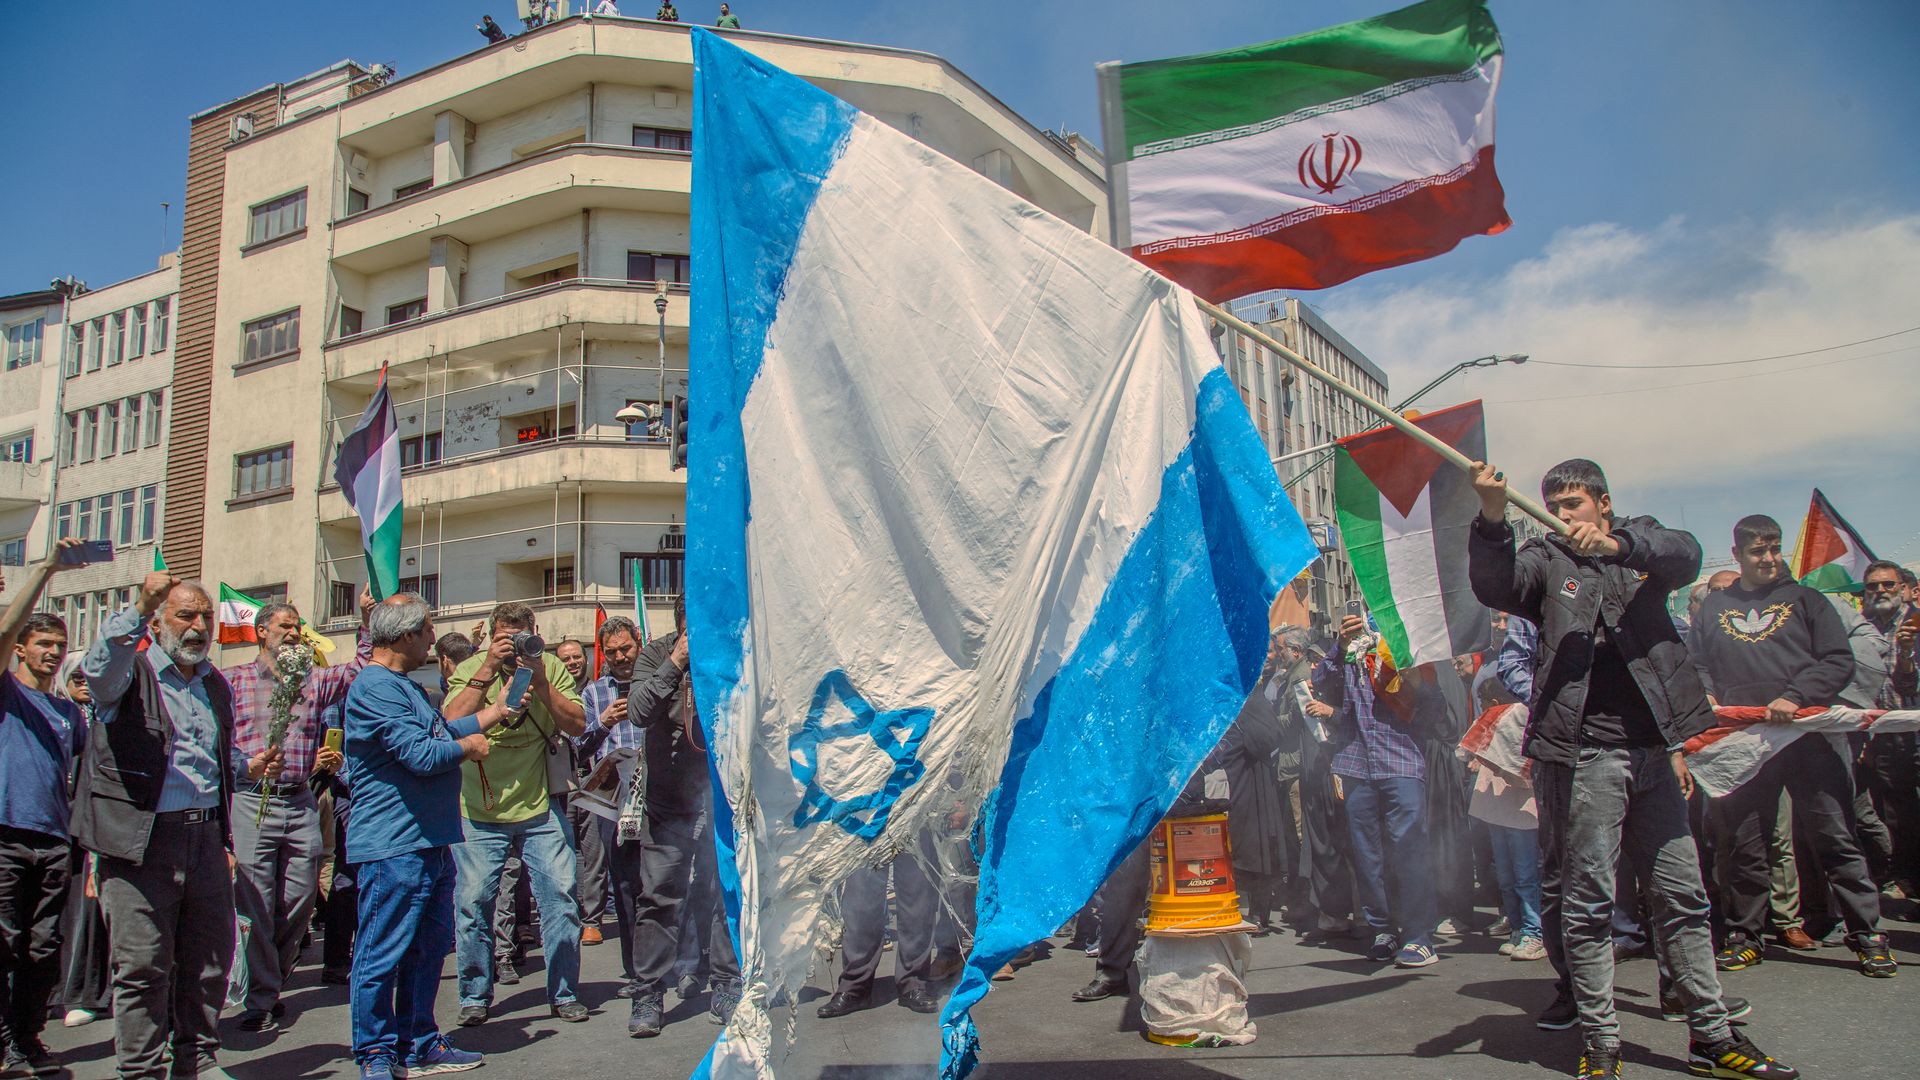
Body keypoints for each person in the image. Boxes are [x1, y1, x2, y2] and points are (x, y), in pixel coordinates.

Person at [1469, 458, 1796, 1080]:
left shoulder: (1640, 542)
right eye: (1553, 506)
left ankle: (1711, 1036)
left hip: (1653, 751)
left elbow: (1685, 554)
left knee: (1683, 897)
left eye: (1573, 504)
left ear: (1603, 503)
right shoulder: (1544, 558)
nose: (1562, 516)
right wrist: (1490, 515)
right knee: (1589, 904)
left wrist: (1616, 547)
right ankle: (1601, 1045)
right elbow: (1495, 585)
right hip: (1587, 754)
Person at [73, 574, 278, 1080]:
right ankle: (141, 1070)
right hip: (140, 840)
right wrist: (139, 605)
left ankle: (196, 1061)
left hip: (204, 837)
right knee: (143, 966)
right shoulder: (131, 674)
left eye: (205, 616)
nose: (199, 626)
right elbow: (98, 671)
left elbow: (214, 758)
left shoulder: (214, 684)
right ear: (158, 621)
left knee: (208, 961)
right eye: (186, 615)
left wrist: (247, 768)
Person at [1690, 514, 1896, 979]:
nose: (1768, 558)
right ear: (1738, 554)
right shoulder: (1714, 608)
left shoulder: (1807, 601)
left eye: (1773, 548)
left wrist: (1796, 695)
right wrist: (1706, 693)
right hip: (1745, 741)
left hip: (1807, 736)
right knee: (1744, 842)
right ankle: (1745, 936)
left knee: (1835, 836)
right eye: (1757, 551)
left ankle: (1867, 935)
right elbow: (1697, 663)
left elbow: (1838, 660)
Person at [345, 593, 512, 1079]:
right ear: (404, 636)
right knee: (382, 953)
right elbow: (421, 754)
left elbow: (439, 731)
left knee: (428, 950)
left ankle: (418, 1042)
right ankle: (376, 1052)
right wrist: (469, 746)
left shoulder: (404, 686)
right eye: (427, 629)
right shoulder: (375, 686)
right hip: (394, 843)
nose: (433, 639)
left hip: (430, 841)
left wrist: (494, 713)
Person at [220, 592, 372, 1031]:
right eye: (284, 626)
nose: (293, 633)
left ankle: (272, 971)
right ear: (261, 632)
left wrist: (365, 621)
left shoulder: (313, 679)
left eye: (297, 627)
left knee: (300, 899)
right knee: (255, 900)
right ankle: (261, 997)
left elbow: (359, 670)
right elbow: (219, 741)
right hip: (253, 799)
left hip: (300, 799)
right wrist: (244, 765)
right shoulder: (232, 681)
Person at [442, 603, 588, 1027]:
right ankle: (474, 994)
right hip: (479, 807)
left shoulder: (549, 666)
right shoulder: (472, 666)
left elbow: (578, 724)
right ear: (492, 636)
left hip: (539, 805)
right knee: (473, 904)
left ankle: (564, 992)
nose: (515, 644)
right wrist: (489, 664)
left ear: (534, 631)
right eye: (506, 637)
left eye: (522, 635)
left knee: (560, 898)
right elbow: (450, 721)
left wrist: (540, 681)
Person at [624, 596, 742, 1035]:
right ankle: (648, 993)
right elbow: (638, 712)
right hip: (668, 801)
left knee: (726, 892)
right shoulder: (656, 654)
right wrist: (676, 662)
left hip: (720, 798)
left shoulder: (731, 651)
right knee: (659, 897)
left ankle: (727, 984)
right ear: (680, 625)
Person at [0, 539, 88, 1076]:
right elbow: (6, 628)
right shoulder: (7, 691)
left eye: (60, 645)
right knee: (3, 943)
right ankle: (3, 1043)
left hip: (54, 840)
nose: (53, 652)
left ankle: (28, 1037)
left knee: (43, 947)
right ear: (20, 649)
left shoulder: (67, 711)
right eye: (43, 643)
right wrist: (47, 569)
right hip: (7, 834)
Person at [1313, 610, 1439, 969]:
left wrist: (1411, 677)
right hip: (1355, 763)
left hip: (1401, 760)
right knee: (1367, 855)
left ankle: (1418, 935)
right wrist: (1340, 647)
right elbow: (1321, 682)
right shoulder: (1350, 652)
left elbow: (1435, 707)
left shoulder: (1407, 648)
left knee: (1409, 848)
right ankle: (1382, 929)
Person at [52, 656, 110, 1029]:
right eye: (77, 676)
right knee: (56, 915)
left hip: (91, 826)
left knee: (88, 913)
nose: (85, 682)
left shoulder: (102, 714)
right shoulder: (57, 714)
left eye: (91, 676)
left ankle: (84, 992)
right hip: (57, 826)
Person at [1859, 559, 1919, 896]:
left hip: (1915, 729)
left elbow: (1909, 685)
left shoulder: (1916, 622)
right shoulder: (1863, 629)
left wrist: (1907, 653)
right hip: (1882, 733)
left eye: (1888, 584)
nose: (1880, 591)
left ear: (1903, 588)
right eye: (1873, 586)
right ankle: (1907, 878)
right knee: (1898, 811)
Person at [552, 639, 609, 946]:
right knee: (563, 851)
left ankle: (591, 920)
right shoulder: (550, 693)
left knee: (594, 852)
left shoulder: (598, 691)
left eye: (576, 657)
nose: (572, 662)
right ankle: (567, 914)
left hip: (593, 779)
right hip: (561, 780)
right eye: (565, 659)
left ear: (585, 659)